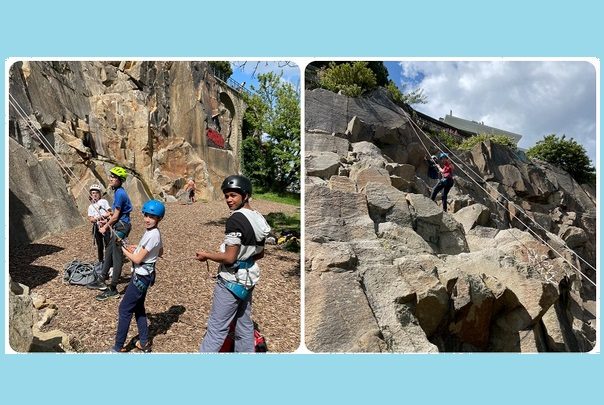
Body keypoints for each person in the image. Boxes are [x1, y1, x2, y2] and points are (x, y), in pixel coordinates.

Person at [195, 175, 271, 352]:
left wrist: (206, 255)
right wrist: (246, 257)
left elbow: (229, 258)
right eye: (226, 196)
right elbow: (260, 254)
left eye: (233, 195)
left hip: (230, 281)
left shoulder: (235, 220)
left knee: (216, 330)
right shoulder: (259, 218)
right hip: (248, 279)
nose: (229, 200)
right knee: (244, 327)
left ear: (245, 196)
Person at [112, 200, 165, 353]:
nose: (147, 219)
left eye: (152, 217)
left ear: (159, 219)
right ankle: (144, 342)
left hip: (140, 277)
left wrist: (123, 249)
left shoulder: (152, 234)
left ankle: (118, 346)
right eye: (146, 215)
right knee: (139, 308)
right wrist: (138, 247)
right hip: (145, 275)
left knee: (124, 309)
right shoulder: (154, 232)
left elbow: (136, 259)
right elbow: (159, 252)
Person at [87, 166, 133, 301]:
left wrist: (105, 227)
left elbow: (116, 216)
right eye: (111, 176)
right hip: (120, 225)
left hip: (121, 227)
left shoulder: (120, 194)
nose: (111, 179)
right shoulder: (118, 191)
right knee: (108, 252)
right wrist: (106, 217)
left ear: (120, 180)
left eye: (114, 177)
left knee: (117, 256)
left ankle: (113, 288)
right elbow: (113, 214)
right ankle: (102, 279)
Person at [87, 184, 112, 263]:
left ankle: (110, 261)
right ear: (91, 194)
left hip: (105, 224)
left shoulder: (103, 202)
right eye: (93, 193)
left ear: (99, 194)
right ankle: (101, 261)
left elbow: (110, 212)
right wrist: (97, 218)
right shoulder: (91, 206)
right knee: (99, 245)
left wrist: (104, 217)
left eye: (96, 193)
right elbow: (91, 219)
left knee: (108, 243)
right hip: (96, 226)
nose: (94, 194)